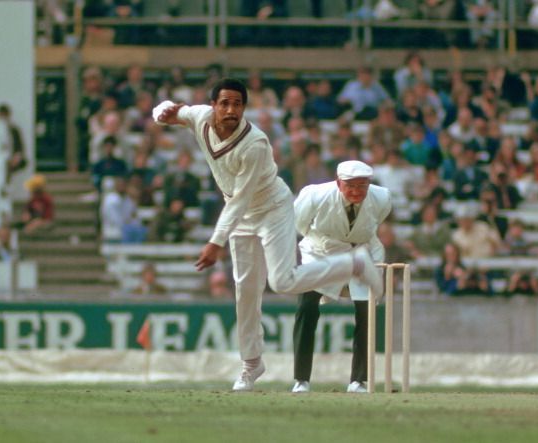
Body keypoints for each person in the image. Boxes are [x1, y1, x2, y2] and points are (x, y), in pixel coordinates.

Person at [153, 78, 383, 391]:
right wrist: (162, 112)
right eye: (225, 103)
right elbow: (177, 111)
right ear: (214, 106)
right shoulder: (200, 118)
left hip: (272, 207)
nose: (231, 109)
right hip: (241, 214)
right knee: (245, 288)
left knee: (282, 281)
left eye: (237, 104)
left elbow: (241, 198)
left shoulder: (255, 143)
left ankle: (353, 265)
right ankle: (251, 364)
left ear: (244, 107)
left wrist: (215, 242)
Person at [291, 160, 392, 394]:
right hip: (321, 252)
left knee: (366, 312)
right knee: (307, 306)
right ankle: (301, 379)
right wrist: (327, 243)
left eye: (362, 186)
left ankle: (358, 380)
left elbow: (375, 224)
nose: (357, 191)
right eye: (350, 186)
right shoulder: (315, 195)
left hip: (363, 251)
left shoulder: (382, 197)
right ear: (338, 183)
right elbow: (300, 225)